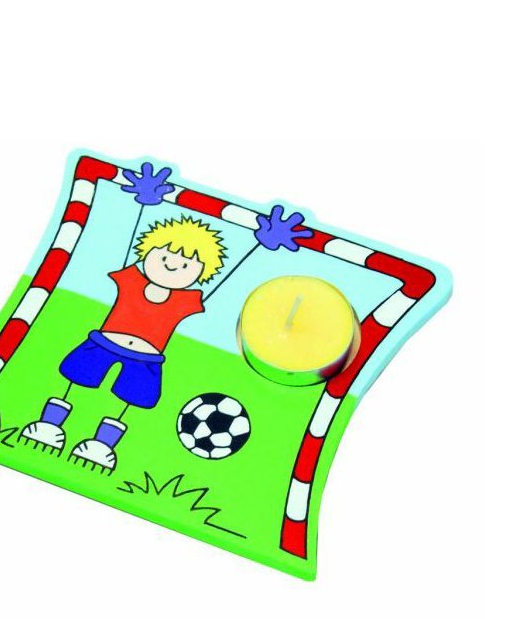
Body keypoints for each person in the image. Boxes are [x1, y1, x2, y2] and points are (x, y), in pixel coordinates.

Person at [21, 162, 311, 471]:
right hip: (103, 343)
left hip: (146, 358)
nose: (173, 264)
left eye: (187, 264)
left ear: (202, 273)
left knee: (128, 401)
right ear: (147, 253)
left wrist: (260, 244)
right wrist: (146, 203)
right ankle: (49, 425)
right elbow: (135, 232)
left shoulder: (187, 300)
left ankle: (102, 444)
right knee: (75, 380)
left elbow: (231, 272)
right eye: (164, 255)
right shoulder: (130, 278)